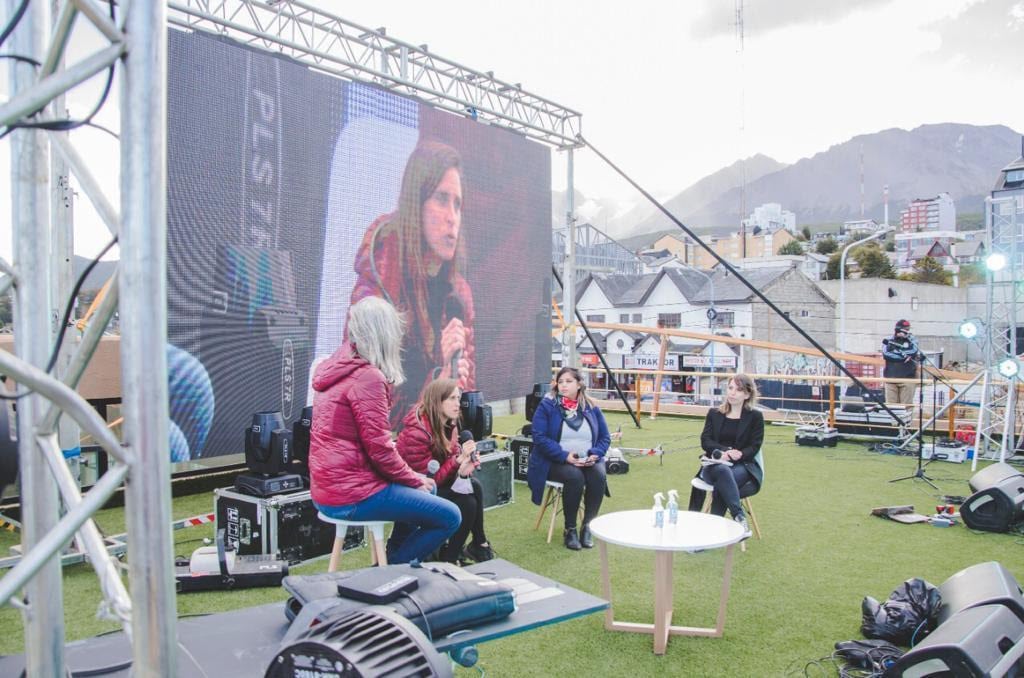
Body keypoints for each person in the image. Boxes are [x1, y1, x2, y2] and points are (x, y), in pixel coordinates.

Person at [308, 296, 460, 565]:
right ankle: (390, 569)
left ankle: (389, 561)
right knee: (450, 516)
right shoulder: (368, 377)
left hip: (327, 490)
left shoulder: (336, 368)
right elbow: (380, 449)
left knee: (428, 490)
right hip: (353, 494)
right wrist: (413, 478)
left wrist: (414, 479)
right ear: (384, 333)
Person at [349, 140, 475, 428]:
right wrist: (438, 384)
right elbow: (369, 411)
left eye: (458, 204)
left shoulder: (459, 296)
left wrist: (456, 387)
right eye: (442, 199)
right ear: (416, 202)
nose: (452, 218)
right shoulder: (381, 276)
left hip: (435, 445)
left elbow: (464, 402)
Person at [393, 379, 495, 564]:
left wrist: (464, 468)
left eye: (459, 397)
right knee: (468, 502)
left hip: (435, 484)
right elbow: (429, 482)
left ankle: (467, 550)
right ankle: (460, 554)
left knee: (473, 488)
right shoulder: (417, 433)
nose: (458, 403)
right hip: (415, 491)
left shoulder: (449, 423)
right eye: (452, 398)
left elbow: (451, 461)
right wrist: (457, 462)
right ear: (437, 402)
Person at [528, 367, 610, 551]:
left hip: (586, 459)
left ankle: (588, 526)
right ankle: (570, 529)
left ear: (579, 384)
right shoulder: (547, 405)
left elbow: (605, 437)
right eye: (561, 381)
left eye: (568, 381)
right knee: (575, 476)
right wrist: (565, 456)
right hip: (554, 461)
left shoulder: (591, 407)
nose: (563, 385)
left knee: (598, 473)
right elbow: (539, 437)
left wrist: (595, 453)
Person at [687, 373, 764, 537]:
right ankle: (739, 517)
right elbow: (705, 441)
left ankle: (706, 538)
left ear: (747, 394)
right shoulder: (714, 413)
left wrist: (739, 454)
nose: (732, 392)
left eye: (738, 389)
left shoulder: (755, 417)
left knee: (723, 484)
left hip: (742, 466)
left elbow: (754, 446)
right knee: (723, 472)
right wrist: (724, 452)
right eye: (730, 388)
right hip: (713, 465)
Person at [882, 319, 920, 405]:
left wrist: (896, 353)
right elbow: (886, 354)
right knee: (891, 407)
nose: (907, 331)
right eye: (905, 329)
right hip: (890, 378)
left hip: (908, 378)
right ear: (898, 329)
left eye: (908, 330)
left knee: (906, 406)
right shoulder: (888, 340)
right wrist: (903, 357)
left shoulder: (912, 340)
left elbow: (913, 351)